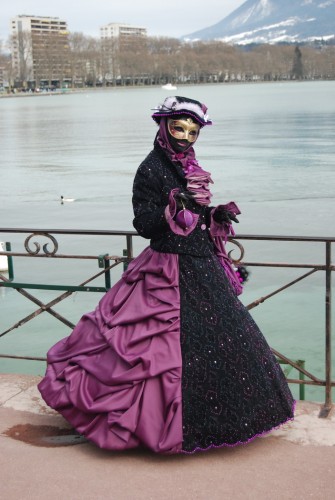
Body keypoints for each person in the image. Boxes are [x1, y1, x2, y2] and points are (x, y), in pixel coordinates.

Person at [38, 96, 294, 454]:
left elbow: (195, 217)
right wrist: (174, 206)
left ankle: (218, 422)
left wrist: (213, 215)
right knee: (152, 352)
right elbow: (144, 224)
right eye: (179, 128)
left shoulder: (188, 163)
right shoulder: (150, 168)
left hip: (201, 264)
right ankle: (153, 426)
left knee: (224, 338)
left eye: (193, 132)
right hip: (167, 270)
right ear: (164, 126)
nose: (186, 137)